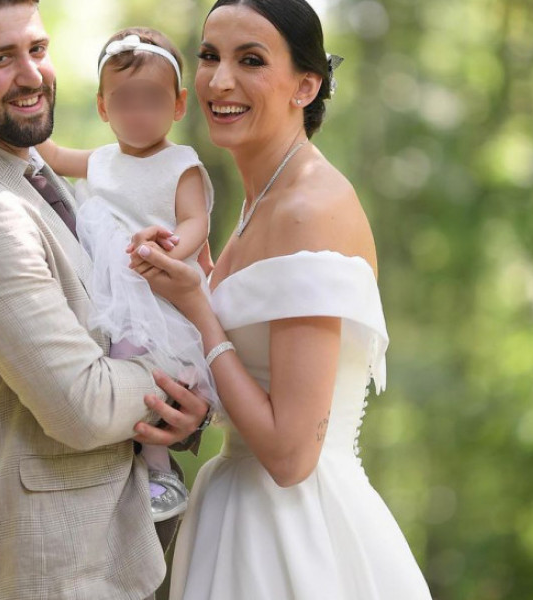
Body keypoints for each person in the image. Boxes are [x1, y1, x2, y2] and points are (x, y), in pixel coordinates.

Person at [0, 2, 209, 599]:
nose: (31, 75)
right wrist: (182, 372)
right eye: (0, 58)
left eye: (37, 50)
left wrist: (183, 407)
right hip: (39, 572)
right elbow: (84, 404)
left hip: (103, 561)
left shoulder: (31, 173)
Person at [128, 0, 434, 598]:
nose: (219, 80)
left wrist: (198, 308)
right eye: (210, 56)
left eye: (251, 60)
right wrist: (203, 405)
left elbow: (292, 457)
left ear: (305, 86)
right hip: (239, 514)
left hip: (294, 533)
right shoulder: (261, 200)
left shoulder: (308, 208)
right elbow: (259, 377)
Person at [36, 27, 218, 524]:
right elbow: (51, 155)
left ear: (178, 105)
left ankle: (160, 472)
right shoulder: (100, 161)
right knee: (103, 361)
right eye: (124, 100)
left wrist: (168, 249)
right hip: (108, 292)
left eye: (152, 100)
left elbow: (196, 221)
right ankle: (117, 470)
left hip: (156, 290)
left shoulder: (180, 164)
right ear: (102, 106)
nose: (137, 112)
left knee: (142, 370)